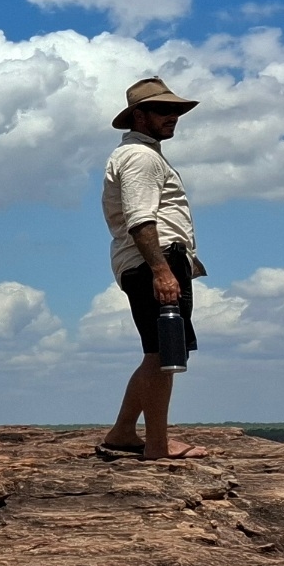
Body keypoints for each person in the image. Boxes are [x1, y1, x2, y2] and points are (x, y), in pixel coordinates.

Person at [95, 77, 208, 461]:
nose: (172, 116)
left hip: (150, 261)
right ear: (139, 116)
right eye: (163, 110)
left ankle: (123, 432)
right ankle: (157, 445)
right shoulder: (140, 157)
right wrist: (162, 270)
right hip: (154, 260)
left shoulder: (142, 155)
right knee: (163, 353)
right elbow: (141, 219)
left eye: (175, 110)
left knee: (157, 351)